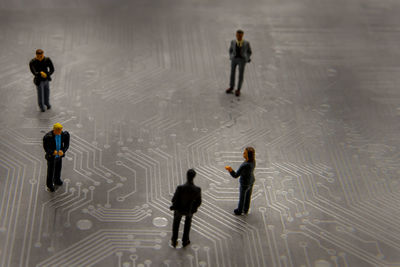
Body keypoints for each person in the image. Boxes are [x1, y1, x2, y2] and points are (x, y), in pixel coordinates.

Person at [170, 169, 202, 248]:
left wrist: (174, 206)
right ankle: (185, 240)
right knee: (187, 224)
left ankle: (174, 240)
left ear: (187, 176)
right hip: (189, 211)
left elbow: (174, 199)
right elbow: (199, 202)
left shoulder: (180, 188)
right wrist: (193, 209)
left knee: (176, 224)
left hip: (179, 210)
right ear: (194, 177)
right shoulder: (197, 189)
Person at [225, 147, 256, 215]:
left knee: (242, 197)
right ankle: (246, 209)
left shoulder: (245, 165)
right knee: (248, 196)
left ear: (248, 155)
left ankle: (239, 210)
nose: (243, 154)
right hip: (251, 181)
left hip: (245, 183)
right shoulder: (253, 161)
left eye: (245, 153)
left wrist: (230, 169)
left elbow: (235, 175)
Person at [43, 123, 70, 192]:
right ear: (54, 130)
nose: (60, 132)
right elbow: (46, 148)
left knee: (58, 168)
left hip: (59, 156)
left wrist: (63, 151)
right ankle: (49, 185)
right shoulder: (48, 137)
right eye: (58, 130)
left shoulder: (64, 135)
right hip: (51, 157)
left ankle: (57, 180)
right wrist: (52, 152)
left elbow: (67, 144)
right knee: (50, 171)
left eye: (61, 130)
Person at [226, 29, 252, 97]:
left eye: (240, 35)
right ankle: (231, 87)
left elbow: (249, 51)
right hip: (234, 59)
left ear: (242, 35)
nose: (239, 37)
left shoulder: (246, 43)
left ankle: (238, 89)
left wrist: (247, 58)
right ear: (236, 35)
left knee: (240, 75)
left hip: (242, 60)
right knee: (232, 73)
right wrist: (231, 56)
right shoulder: (233, 42)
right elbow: (230, 50)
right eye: (237, 35)